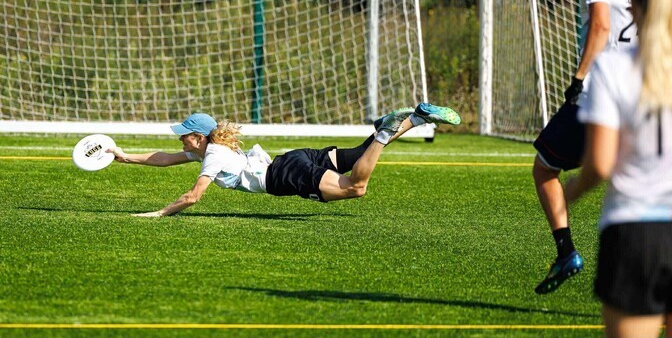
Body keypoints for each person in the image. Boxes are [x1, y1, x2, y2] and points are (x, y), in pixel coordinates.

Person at [564, 0, 672, 338]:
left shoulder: (612, 67)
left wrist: (572, 191)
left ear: (634, 5)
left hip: (635, 231)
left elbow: (600, 163)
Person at [532, 0, 638, 294]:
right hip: (644, 97)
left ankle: (566, 252)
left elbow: (601, 26)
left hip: (600, 96)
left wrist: (577, 79)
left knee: (545, 168)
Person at [108, 103, 460, 217]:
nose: (180, 139)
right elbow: (164, 158)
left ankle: (384, 134)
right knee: (357, 154)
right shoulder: (209, 148)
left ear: (199, 137)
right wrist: (126, 157)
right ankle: (416, 118)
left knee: (356, 187)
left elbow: (193, 196)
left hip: (286, 175)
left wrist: (158, 213)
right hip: (293, 159)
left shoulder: (212, 155)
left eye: (184, 134)